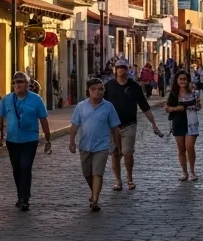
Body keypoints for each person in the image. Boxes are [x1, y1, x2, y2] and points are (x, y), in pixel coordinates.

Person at [0, 71, 52, 211]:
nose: (17, 85)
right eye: (15, 82)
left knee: (25, 166)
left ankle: (24, 198)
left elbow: (43, 119)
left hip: (30, 139)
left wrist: (47, 138)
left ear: (28, 85)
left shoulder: (36, 100)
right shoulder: (7, 99)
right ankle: (20, 195)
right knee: (16, 169)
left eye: (20, 82)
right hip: (12, 139)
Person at [103, 59, 162, 191]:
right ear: (115, 70)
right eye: (118, 68)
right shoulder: (109, 86)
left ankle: (129, 178)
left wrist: (153, 124)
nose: (120, 70)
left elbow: (144, 106)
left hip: (129, 124)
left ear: (127, 69)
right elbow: (102, 105)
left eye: (123, 68)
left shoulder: (134, 86)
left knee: (128, 152)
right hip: (113, 126)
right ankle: (118, 181)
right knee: (115, 154)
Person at [69, 78, 121, 212]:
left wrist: (117, 146)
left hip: (102, 146)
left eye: (100, 89)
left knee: (97, 173)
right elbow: (75, 125)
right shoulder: (81, 106)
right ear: (89, 91)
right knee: (87, 173)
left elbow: (115, 129)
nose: (97, 92)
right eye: (94, 89)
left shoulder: (108, 107)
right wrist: (71, 141)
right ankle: (94, 192)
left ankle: (95, 201)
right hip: (85, 145)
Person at [164, 70, 202, 181]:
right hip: (178, 121)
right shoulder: (173, 93)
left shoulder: (193, 93)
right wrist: (177, 108)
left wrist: (196, 105)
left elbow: (199, 107)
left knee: (190, 148)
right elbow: (167, 108)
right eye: (180, 79)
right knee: (181, 149)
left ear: (188, 80)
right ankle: (184, 172)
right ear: (177, 80)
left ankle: (192, 172)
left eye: (184, 79)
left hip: (191, 122)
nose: (182, 81)